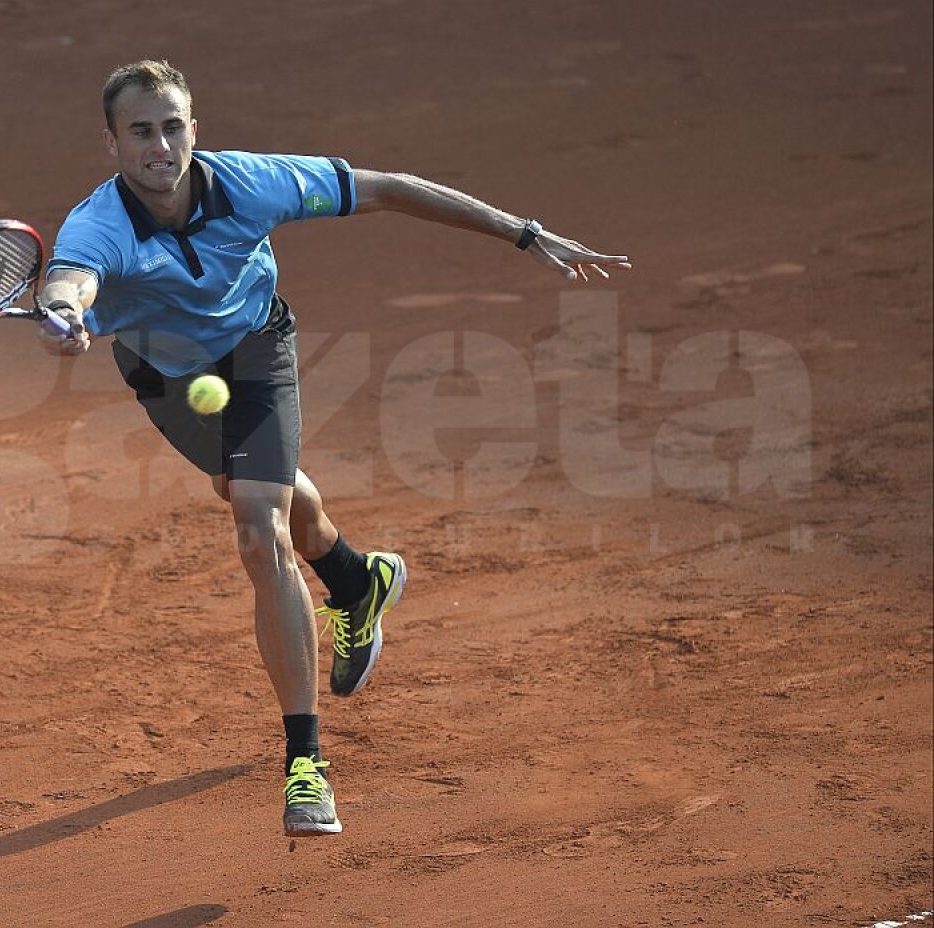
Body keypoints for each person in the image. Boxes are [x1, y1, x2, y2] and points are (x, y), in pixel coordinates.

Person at [38, 60, 630, 837]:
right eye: (140, 132)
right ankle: (356, 580)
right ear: (112, 143)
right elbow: (71, 279)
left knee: (259, 529)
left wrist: (522, 231)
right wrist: (63, 311)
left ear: (194, 130)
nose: (160, 146)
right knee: (255, 492)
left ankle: (305, 764)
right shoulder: (97, 226)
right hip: (169, 380)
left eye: (172, 127)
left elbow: (387, 188)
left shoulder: (253, 183)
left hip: (254, 354)